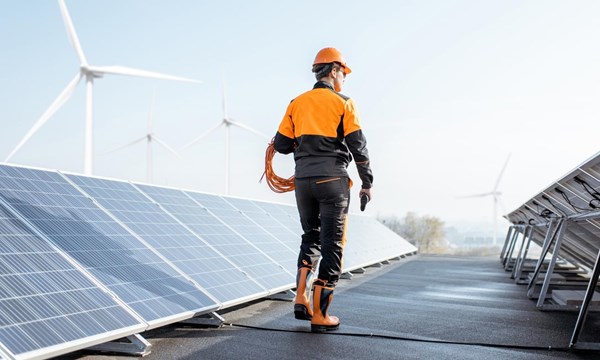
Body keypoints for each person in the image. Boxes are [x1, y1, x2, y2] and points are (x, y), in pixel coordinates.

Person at [273, 47, 373, 332]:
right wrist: (367, 182)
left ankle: (301, 297)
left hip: (303, 182)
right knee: (333, 244)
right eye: (343, 73)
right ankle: (321, 315)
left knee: (311, 237)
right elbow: (358, 147)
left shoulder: (296, 103)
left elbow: (281, 145)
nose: (344, 79)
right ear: (333, 70)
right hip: (333, 182)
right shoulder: (344, 103)